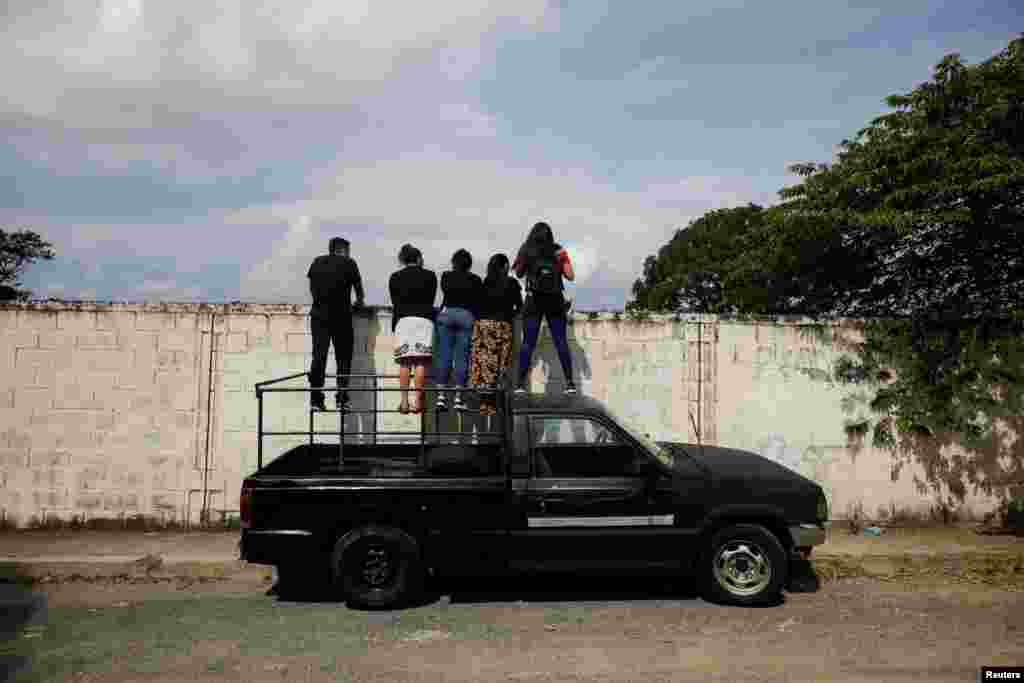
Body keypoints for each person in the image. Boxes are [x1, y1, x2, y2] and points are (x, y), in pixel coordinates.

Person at [512, 221, 576, 395]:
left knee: (528, 343)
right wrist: (562, 259)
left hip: (534, 301)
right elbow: (570, 275)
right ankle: (570, 384)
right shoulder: (558, 250)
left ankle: (519, 384)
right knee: (561, 341)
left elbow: (518, 273)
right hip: (555, 300)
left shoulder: (527, 248)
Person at [307, 237, 364, 411]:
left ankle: (316, 399)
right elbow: (359, 292)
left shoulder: (316, 262)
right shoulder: (349, 263)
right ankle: (341, 399)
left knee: (319, 356)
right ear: (343, 250)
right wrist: (358, 302)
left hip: (319, 316)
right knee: (344, 358)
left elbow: (312, 288)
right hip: (342, 316)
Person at [469, 253, 523, 416]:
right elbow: (519, 307)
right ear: (505, 266)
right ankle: (496, 407)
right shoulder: (512, 283)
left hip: (482, 326)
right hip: (502, 326)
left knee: (485, 365)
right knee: (501, 366)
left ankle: (485, 406)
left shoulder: (484, 282)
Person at [388, 244, 438, 414]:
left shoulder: (394, 277)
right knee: (420, 362)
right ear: (418, 258)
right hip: (424, 320)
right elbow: (430, 299)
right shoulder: (430, 276)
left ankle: (403, 402)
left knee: (404, 362)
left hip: (403, 320)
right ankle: (418, 402)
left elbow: (395, 302)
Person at [433, 248, 483, 411]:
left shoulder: (446, 276)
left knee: (444, 355)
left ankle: (440, 398)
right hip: (466, 316)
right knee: (462, 358)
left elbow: (446, 292)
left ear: (453, 262)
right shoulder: (475, 279)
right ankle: (458, 398)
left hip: (447, 314)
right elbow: (477, 300)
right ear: (469, 264)